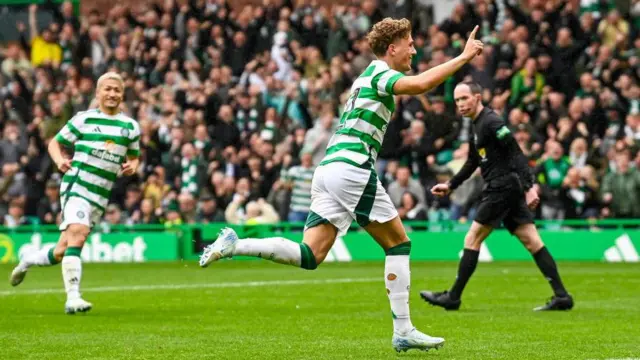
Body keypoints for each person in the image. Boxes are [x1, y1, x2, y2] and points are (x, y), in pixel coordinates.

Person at [199, 18, 484, 352]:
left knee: (310, 254)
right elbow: (419, 84)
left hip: (330, 168)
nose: (415, 49)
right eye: (409, 44)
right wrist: (463, 57)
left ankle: (237, 244)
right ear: (392, 49)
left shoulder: (367, 77)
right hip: (351, 168)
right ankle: (404, 329)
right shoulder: (379, 73)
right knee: (398, 245)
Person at [419, 82, 574, 312]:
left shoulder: (491, 122)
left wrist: (530, 186)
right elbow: (473, 161)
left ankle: (453, 297)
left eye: (464, 98)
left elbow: (515, 152)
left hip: (502, 187)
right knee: (532, 241)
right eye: (457, 100)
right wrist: (451, 184)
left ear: (478, 97)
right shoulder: (476, 125)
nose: (460, 104)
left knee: (472, 239)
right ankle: (562, 296)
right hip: (507, 187)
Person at [9, 72, 141, 315]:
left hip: (100, 196)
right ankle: (73, 298)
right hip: (76, 185)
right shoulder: (84, 120)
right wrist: (59, 160)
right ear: (98, 93)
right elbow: (54, 143)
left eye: (117, 90)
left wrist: (133, 165)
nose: (112, 94)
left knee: (61, 251)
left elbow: (134, 156)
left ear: (122, 95)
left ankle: (27, 259)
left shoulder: (130, 127)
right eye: (107, 89)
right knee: (78, 235)